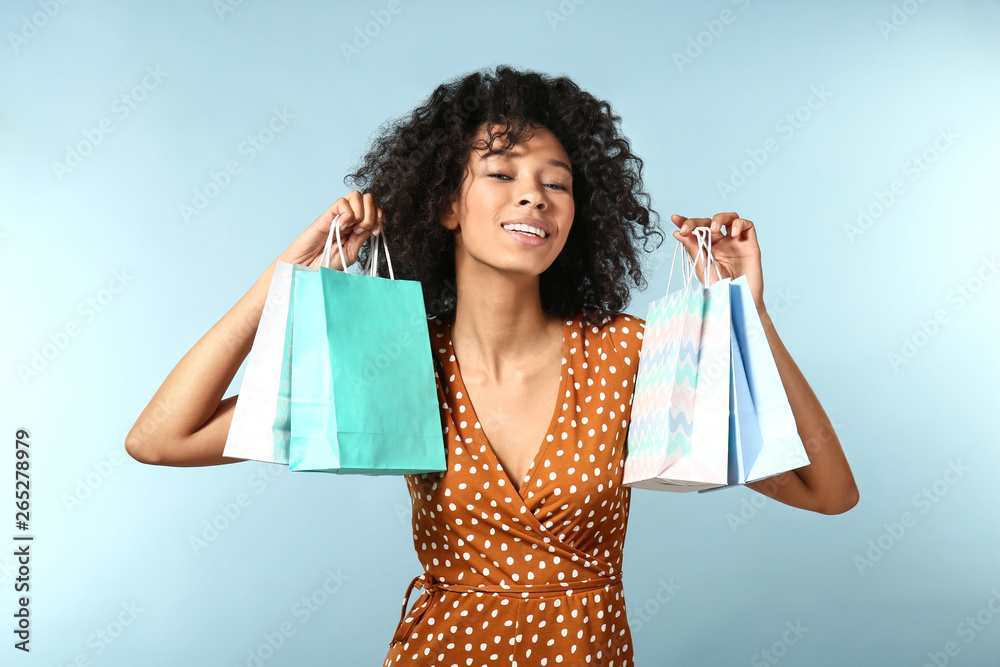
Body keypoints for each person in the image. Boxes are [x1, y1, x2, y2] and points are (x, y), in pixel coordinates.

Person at [126, 65, 859, 666]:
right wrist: (288, 273)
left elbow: (826, 490)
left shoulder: (629, 353)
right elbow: (160, 437)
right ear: (446, 202)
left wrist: (746, 313)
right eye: (502, 174)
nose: (533, 194)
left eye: (557, 181)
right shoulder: (397, 355)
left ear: (577, 215)